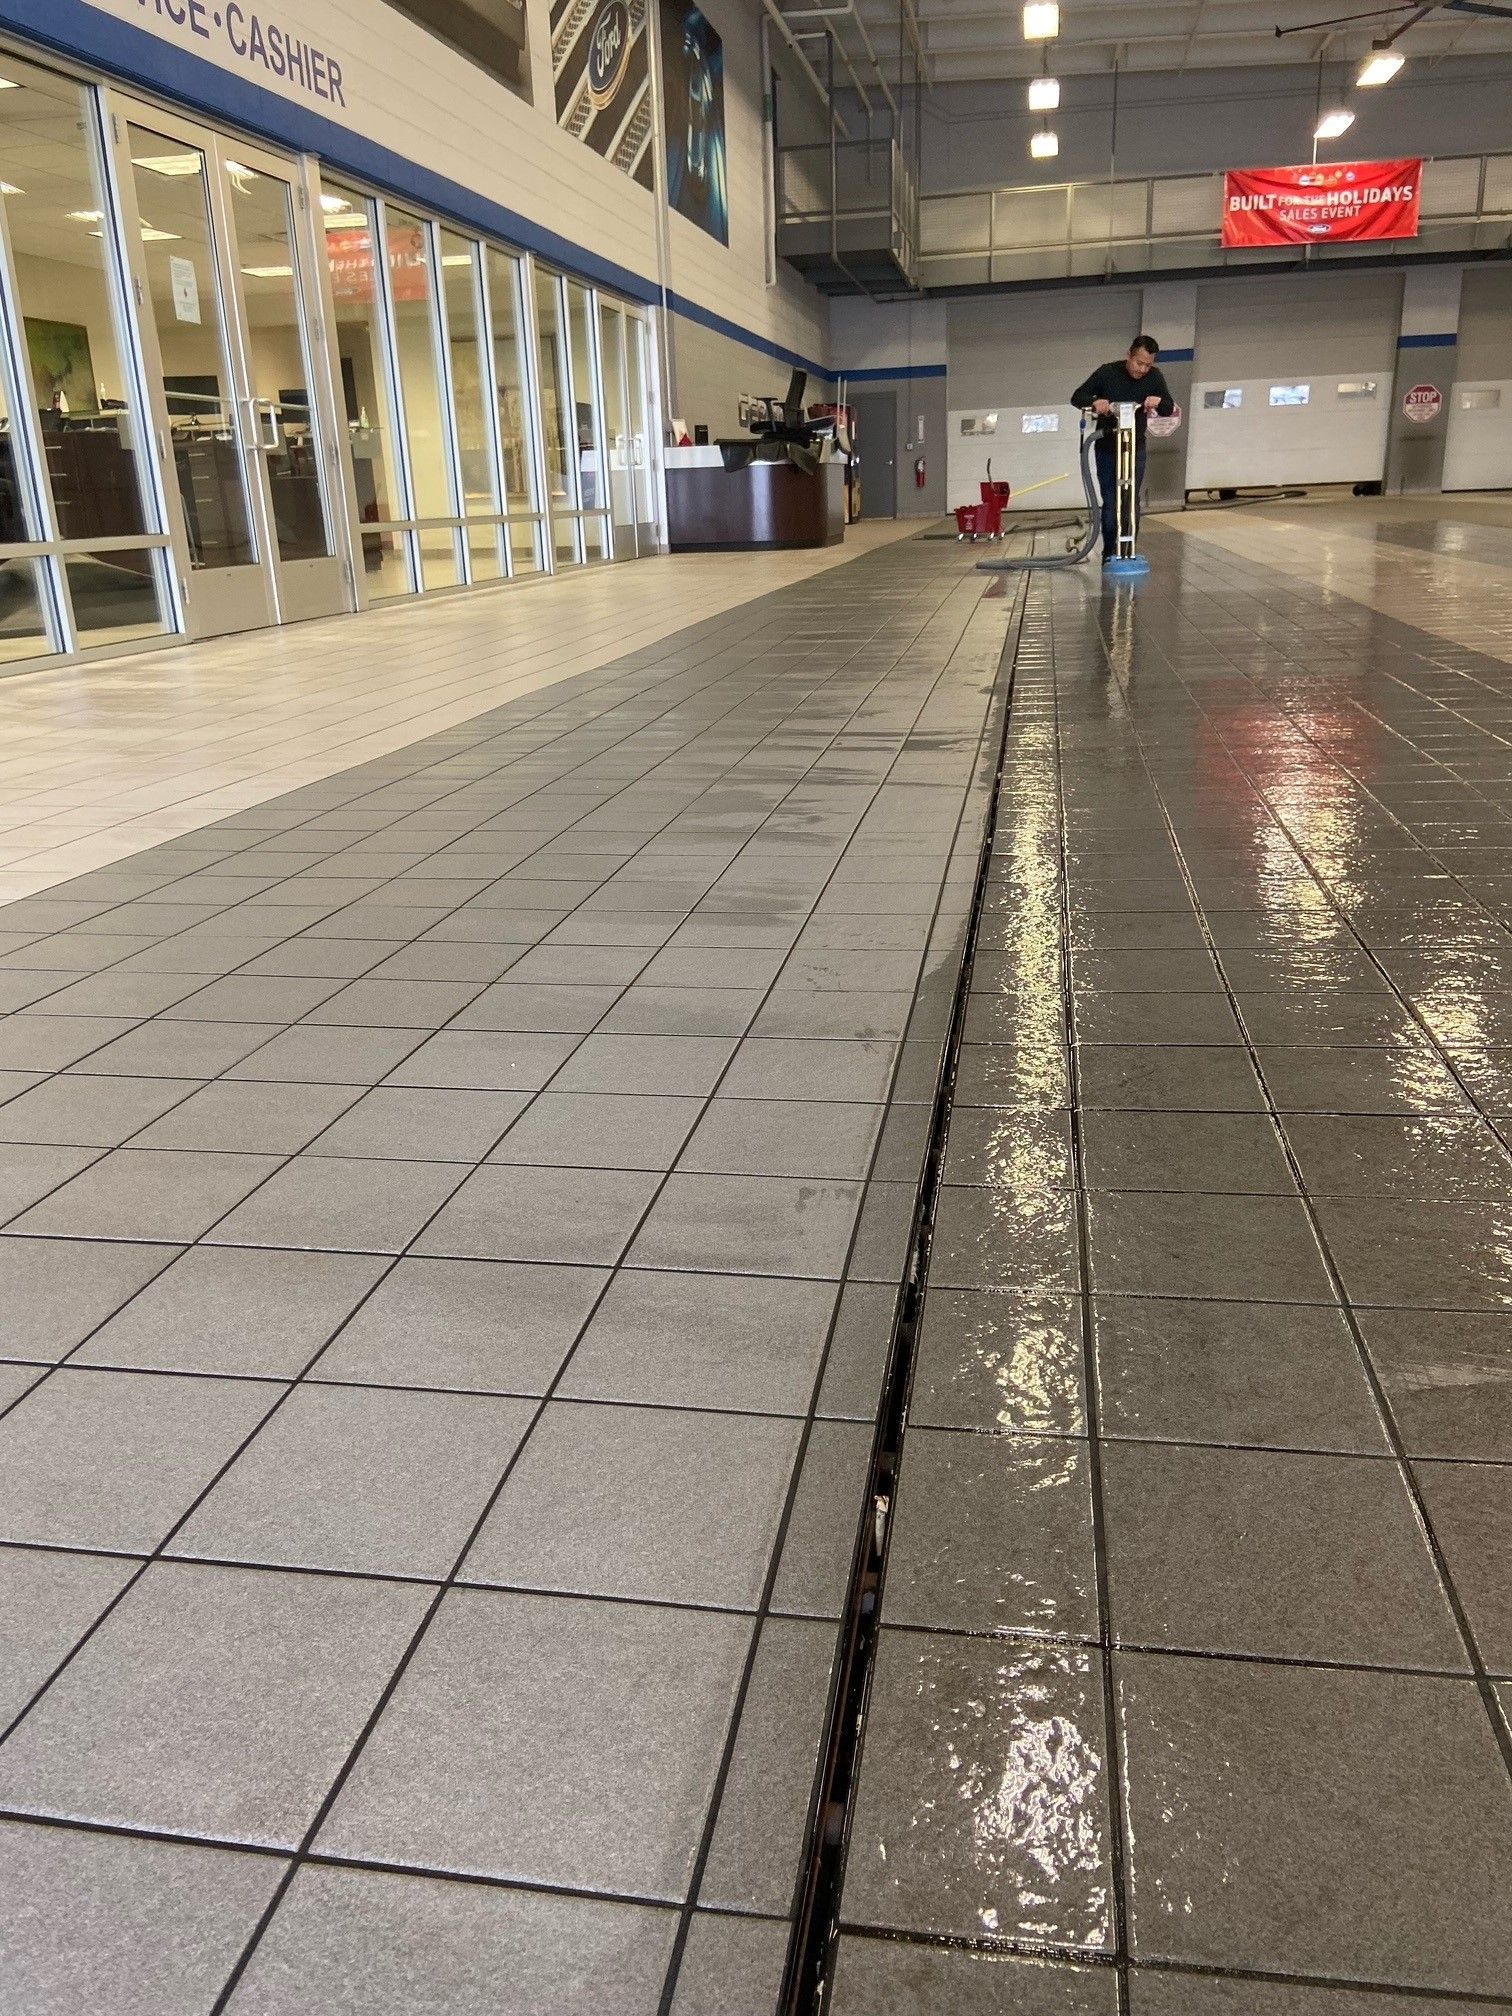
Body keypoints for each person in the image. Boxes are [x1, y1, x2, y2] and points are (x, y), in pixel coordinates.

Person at [1071, 336, 1175, 563]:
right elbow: (1077, 397)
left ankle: (1128, 552)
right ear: (1129, 355)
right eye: (1139, 362)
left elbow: (1168, 407)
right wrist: (1095, 402)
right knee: (1111, 500)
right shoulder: (1107, 373)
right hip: (1107, 447)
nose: (1143, 369)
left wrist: (1158, 401)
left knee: (1130, 499)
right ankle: (1109, 553)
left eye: (1148, 364)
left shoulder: (1154, 377)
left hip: (1135, 447)